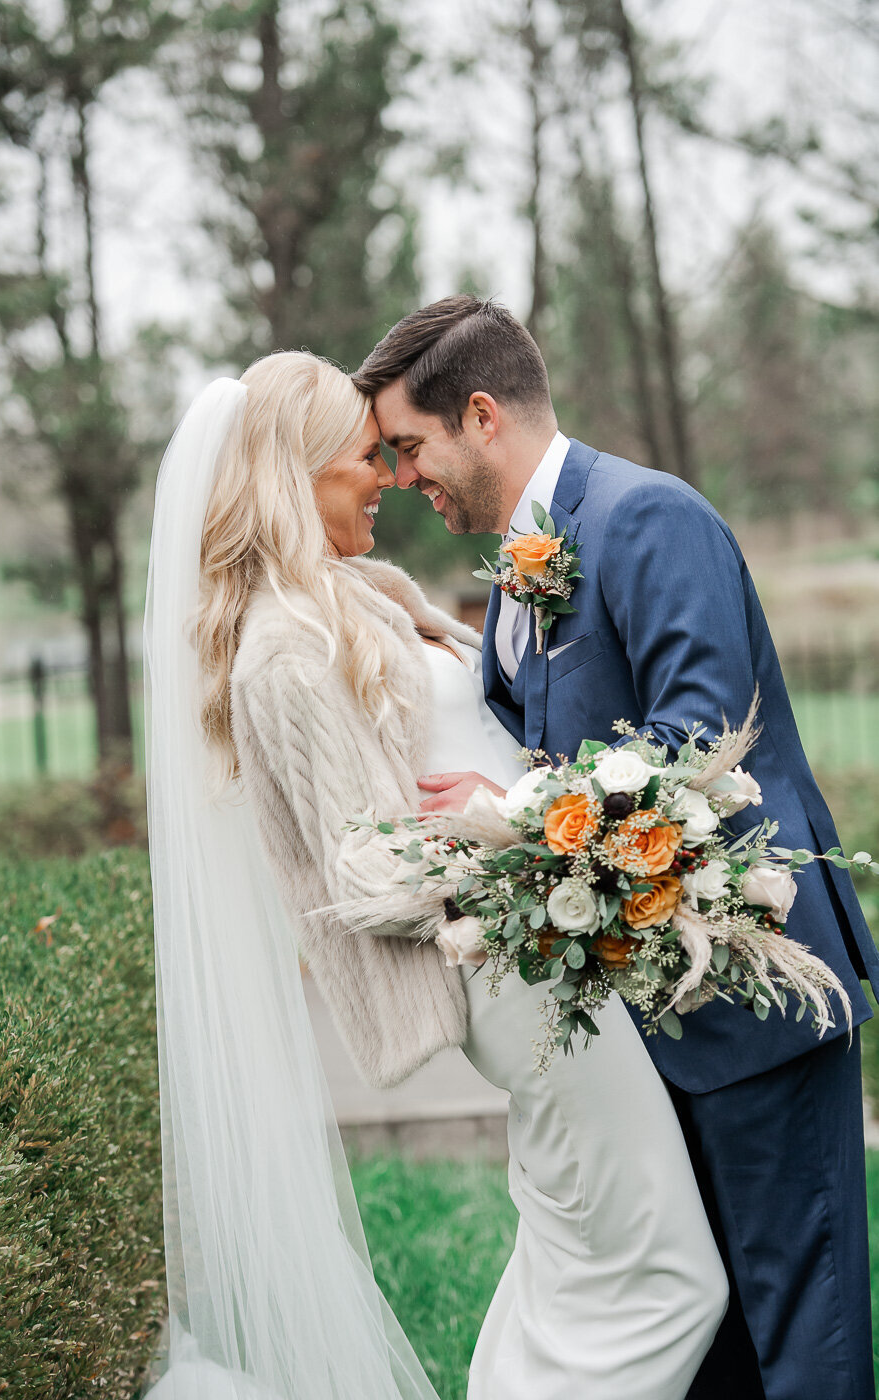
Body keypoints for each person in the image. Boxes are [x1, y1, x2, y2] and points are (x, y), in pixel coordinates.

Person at [143, 350, 727, 1400]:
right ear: (300, 470)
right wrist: (501, 826)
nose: (390, 477)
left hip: (546, 955)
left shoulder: (355, 595)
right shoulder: (284, 646)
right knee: (666, 1277)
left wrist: (540, 807)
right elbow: (359, 867)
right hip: (513, 976)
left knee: (580, 1255)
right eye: (367, 457)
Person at [355, 294, 879, 1400]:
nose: (403, 478)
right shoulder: (515, 570)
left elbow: (700, 741)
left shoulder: (648, 518)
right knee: (710, 1336)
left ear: (482, 414)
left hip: (750, 996)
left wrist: (513, 806)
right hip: (647, 1014)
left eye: (410, 446)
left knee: (802, 1331)